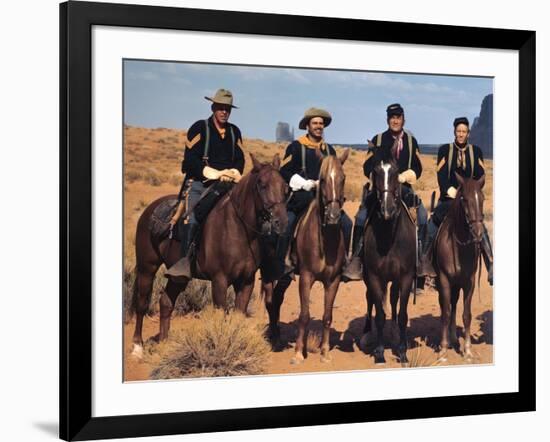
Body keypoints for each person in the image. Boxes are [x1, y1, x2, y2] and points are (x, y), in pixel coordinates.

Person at [165, 89, 245, 279]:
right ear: (213, 108)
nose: (224, 112)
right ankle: (183, 264)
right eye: (220, 108)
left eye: (227, 109)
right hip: (201, 182)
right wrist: (214, 173)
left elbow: (240, 159)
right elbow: (190, 161)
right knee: (192, 216)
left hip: (227, 184)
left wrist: (233, 172)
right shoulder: (199, 128)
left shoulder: (235, 132)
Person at [342, 103, 426, 281]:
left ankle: (421, 261)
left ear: (403, 119)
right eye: (392, 118)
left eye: (398, 117)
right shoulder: (377, 140)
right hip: (381, 188)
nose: (395, 121)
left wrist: (406, 175)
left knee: (423, 216)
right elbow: (366, 167)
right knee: (361, 217)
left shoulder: (412, 141)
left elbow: (418, 167)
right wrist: (379, 174)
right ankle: (356, 259)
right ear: (388, 120)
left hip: (404, 188)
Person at [276, 107, 353, 278]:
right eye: (315, 123)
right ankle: (283, 262)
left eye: (321, 123)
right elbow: (284, 171)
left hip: (325, 199)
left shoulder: (329, 150)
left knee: (347, 224)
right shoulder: (295, 147)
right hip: (302, 197)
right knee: (287, 223)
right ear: (307, 126)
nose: (319, 126)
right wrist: (305, 183)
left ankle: (345, 262)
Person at [418, 117, 493, 285]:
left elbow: (481, 175)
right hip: (449, 199)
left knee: (480, 225)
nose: (461, 134)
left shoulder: (476, 152)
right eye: (458, 131)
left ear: (468, 133)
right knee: (433, 224)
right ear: (454, 132)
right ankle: (424, 263)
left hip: (469, 200)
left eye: (464, 132)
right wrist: (449, 190)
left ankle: (491, 264)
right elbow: (441, 174)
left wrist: (471, 190)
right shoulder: (445, 150)